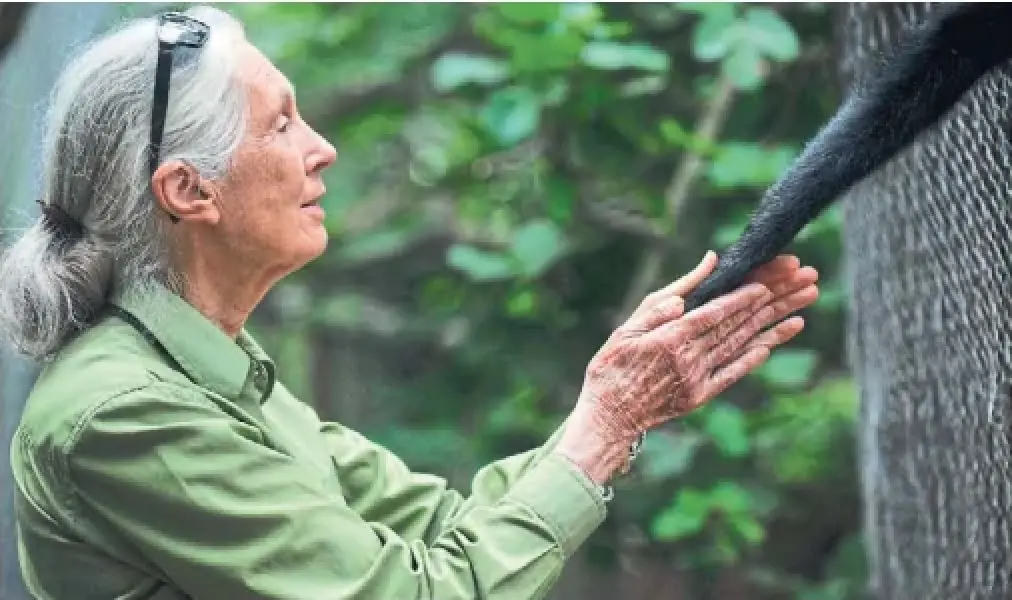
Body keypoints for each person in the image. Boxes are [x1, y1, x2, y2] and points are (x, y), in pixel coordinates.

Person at [0, 7, 820, 600]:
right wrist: (606, 425)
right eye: (282, 126)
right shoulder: (123, 414)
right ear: (189, 190)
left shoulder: (214, 370)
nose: (323, 149)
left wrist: (617, 408)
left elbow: (448, 526)